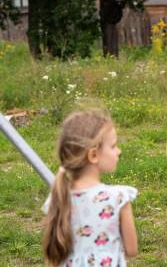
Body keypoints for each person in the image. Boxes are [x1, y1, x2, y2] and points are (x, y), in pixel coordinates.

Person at [42, 108, 138, 267]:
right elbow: (132, 249)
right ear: (93, 155)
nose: (118, 151)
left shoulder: (58, 196)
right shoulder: (118, 197)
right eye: (113, 146)